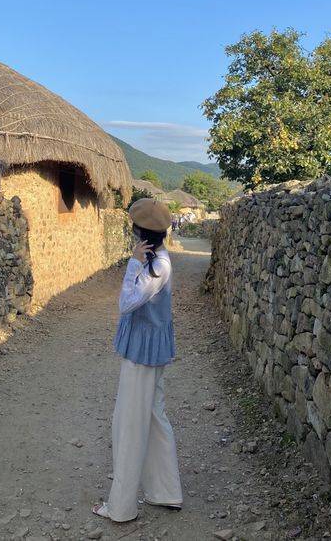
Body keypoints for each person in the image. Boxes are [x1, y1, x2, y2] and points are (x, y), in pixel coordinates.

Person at [92, 198, 183, 522]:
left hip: (142, 355)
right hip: (149, 351)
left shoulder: (156, 266)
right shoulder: (158, 259)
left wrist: (132, 264)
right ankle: (165, 491)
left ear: (139, 232)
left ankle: (121, 508)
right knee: (154, 418)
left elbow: (126, 304)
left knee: (129, 424)